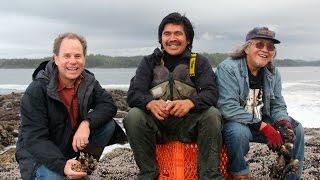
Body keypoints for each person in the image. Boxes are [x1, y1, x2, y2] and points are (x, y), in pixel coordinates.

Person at [123, 12, 223, 180]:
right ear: (161, 39)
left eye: (178, 33)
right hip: (158, 128)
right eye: (167, 34)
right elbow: (133, 94)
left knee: (213, 114)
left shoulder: (198, 62)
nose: (172, 38)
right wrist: (150, 103)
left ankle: (210, 176)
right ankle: (148, 174)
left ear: (188, 39)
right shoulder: (149, 62)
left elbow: (211, 93)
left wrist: (190, 103)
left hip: (190, 127)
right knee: (133, 116)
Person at [15, 32, 126, 180]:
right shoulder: (37, 90)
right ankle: (67, 170)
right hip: (39, 156)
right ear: (56, 59)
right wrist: (62, 166)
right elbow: (35, 139)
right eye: (67, 56)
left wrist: (86, 123)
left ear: (84, 59)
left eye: (77, 56)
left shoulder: (87, 81)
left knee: (108, 125)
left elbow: (108, 104)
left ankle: (81, 167)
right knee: (55, 176)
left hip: (67, 145)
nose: (73, 61)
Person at [215, 27, 304, 179]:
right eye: (259, 44)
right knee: (237, 133)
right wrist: (264, 128)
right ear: (247, 48)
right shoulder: (228, 68)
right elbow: (227, 107)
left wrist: (283, 122)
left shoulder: (273, 73)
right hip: (237, 122)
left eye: (270, 47)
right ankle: (239, 173)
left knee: (297, 129)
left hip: (264, 122)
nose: (265, 50)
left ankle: (291, 176)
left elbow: (277, 105)